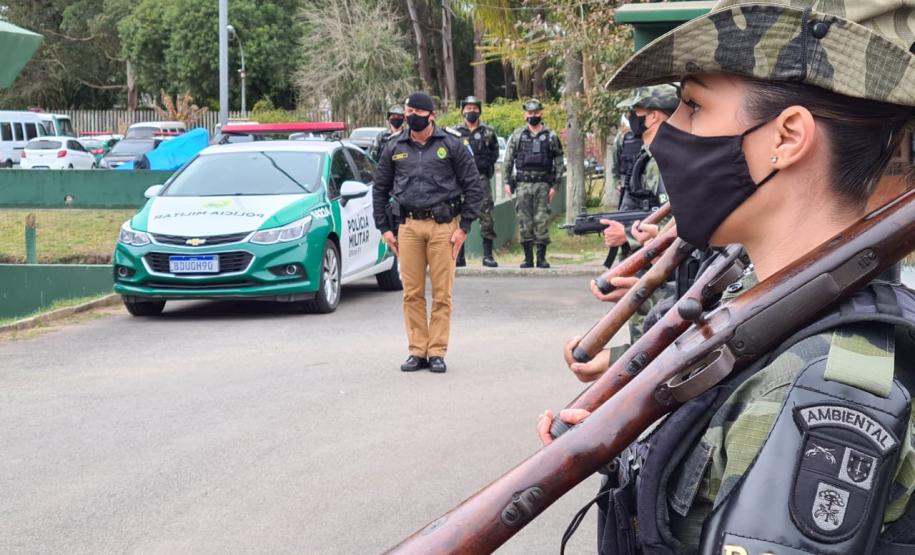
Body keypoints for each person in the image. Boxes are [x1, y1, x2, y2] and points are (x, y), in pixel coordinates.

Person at [539, 1, 915, 553]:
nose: (668, 132)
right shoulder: (772, 309)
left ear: (787, 137)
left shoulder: (823, 388)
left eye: (694, 105)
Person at [372, 92, 482, 374]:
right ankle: (417, 350)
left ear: (431, 115)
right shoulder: (394, 146)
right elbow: (380, 189)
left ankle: (437, 352)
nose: (410, 117)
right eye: (408, 112)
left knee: (442, 293)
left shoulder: (451, 144)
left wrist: (464, 228)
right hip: (408, 227)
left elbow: (473, 186)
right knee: (412, 293)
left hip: (443, 226)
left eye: (416, 112)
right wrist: (384, 229)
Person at [502, 98, 565, 268]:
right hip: (523, 185)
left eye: (536, 113)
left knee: (541, 220)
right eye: (530, 113)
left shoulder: (551, 136)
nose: (533, 116)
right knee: (524, 221)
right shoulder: (518, 136)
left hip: (543, 185)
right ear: (525, 115)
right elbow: (508, 160)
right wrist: (507, 182)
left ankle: (541, 258)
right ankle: (528, 258)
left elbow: (559, 162)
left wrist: (555, 186)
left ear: (541, 113)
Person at [453, 95, 501, 268]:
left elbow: (495, 153)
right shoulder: (455, 132)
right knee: (459, 216)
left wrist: (483, 165)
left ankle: (487, 256)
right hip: (460, 181)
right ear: (462, 111)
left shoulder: (488, 132)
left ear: (479, 111)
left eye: (474, 109)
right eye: (468, 108)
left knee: (486, 216)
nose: (471, 111)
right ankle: (459, 256)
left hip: (481, 179)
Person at [612, 115, 644, 210]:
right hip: (627, 186)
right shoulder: (621, 138)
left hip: (649, 185)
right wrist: (617, 182)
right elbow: (616, 162)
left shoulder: (651, 133)